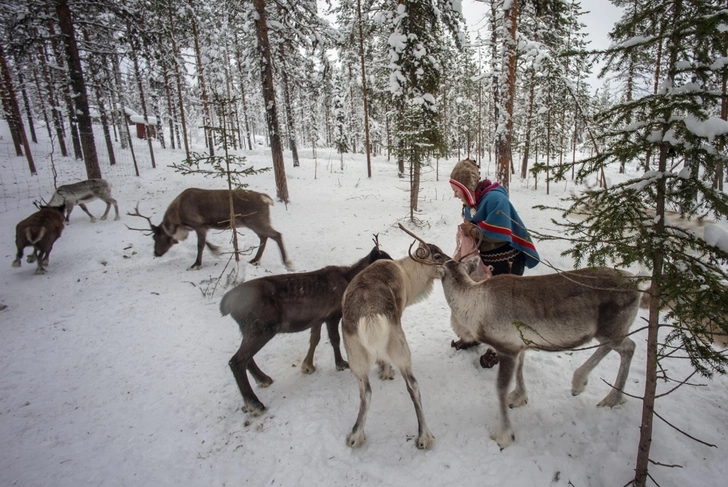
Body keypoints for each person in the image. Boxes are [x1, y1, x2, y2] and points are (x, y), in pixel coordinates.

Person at [448, 158, 540, 365]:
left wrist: (473, 229)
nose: (454, 195)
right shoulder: (472, 202)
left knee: (500, 309)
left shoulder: (495, 200)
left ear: (467, 187)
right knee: (478, 303)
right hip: (487, 262)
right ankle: (472, 336)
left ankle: (501, 348)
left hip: (507, 263)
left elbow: (499, 233)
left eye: (456, 190)